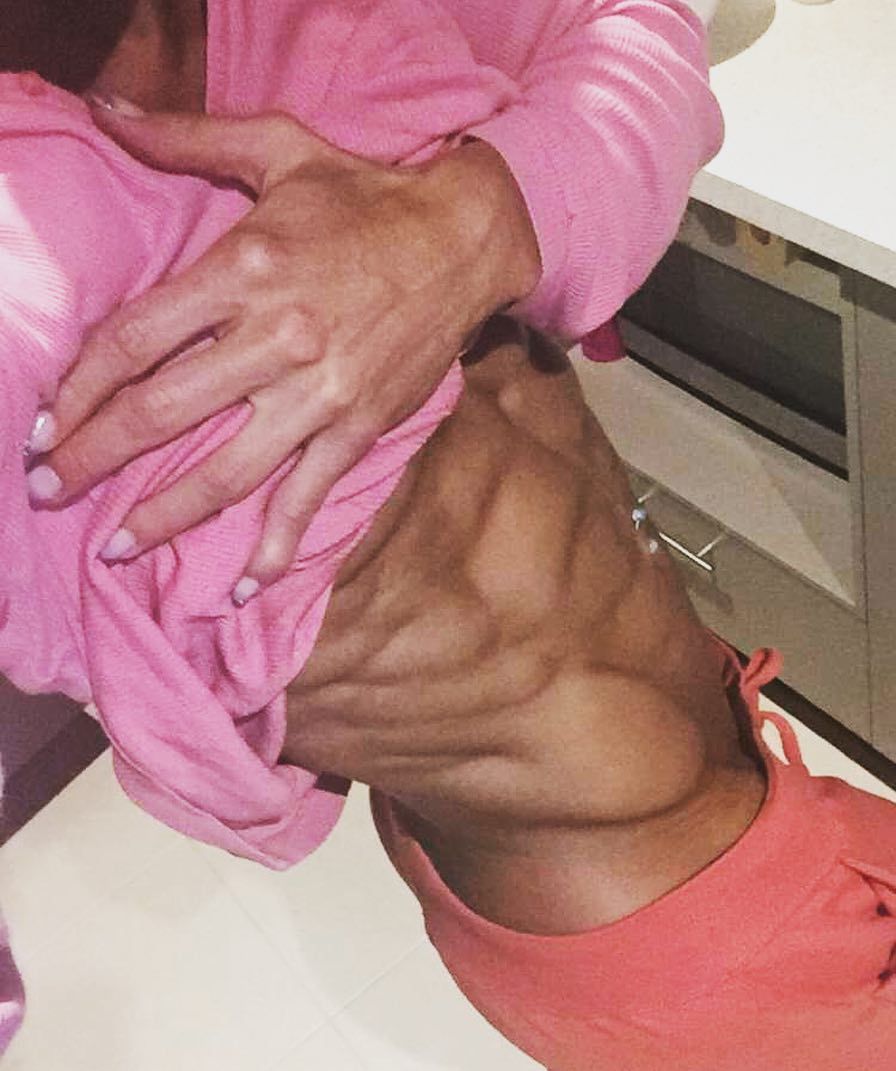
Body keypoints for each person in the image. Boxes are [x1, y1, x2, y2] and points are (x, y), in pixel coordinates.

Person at [8, 3, 896, 1070]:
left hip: (728, 749)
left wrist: (488, 211)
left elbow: (633, 24)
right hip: (662, 935)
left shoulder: (303, 19)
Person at [23, 0, 725, 603]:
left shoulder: (347, 31)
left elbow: (638, 35)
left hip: (573, 572)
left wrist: (472, 222)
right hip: (406, 654)